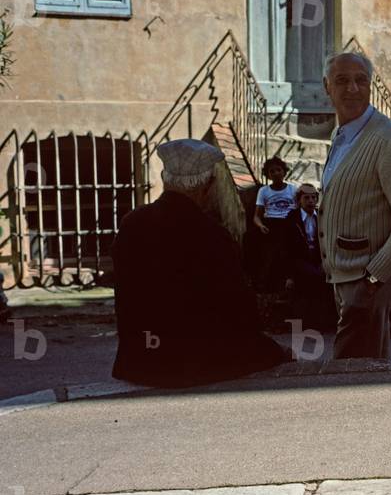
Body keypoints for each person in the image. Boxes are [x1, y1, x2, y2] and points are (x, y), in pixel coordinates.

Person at [112, 139, 290, 386]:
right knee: (276, 352)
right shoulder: (212, 234)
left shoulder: (131, 223)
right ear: (206, 186)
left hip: (138, 360)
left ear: (165, 179)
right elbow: (241, 312)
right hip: (192, 362)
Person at [319, 52, 391, 359]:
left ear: (370, 86)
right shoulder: (343, 136)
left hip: (367, 279)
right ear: (327, 86)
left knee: (349, 372)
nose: (352, 88)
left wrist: (373, 278)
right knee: (369, 368)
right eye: (342, 81)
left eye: (360, 80)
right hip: (347, 276)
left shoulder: (387, 139)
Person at [284, 183, 336, 331]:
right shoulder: (291, 219)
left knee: (322, 277)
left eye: (314, 197)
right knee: (310, 277)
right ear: (299, 200)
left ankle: (324, 322)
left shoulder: (321, 216)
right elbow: (287, 249)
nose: (311, 201)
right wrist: (289, 275)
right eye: (306, 198)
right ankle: (306, 324)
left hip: (319, 259)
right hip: (300, 260)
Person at [253, 156, 297, 291]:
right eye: (272, 171)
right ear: (268, 175)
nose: (276, 173)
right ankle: (267, 285)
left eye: (279, 170)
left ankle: (290, 282)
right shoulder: (264, 191)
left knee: (289, 252)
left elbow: (299, 210)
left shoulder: (293, 189)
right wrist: (261, 226)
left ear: (284, 172)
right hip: (271, 224)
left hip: (289, 223)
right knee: (269, 254)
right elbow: (256, 216)